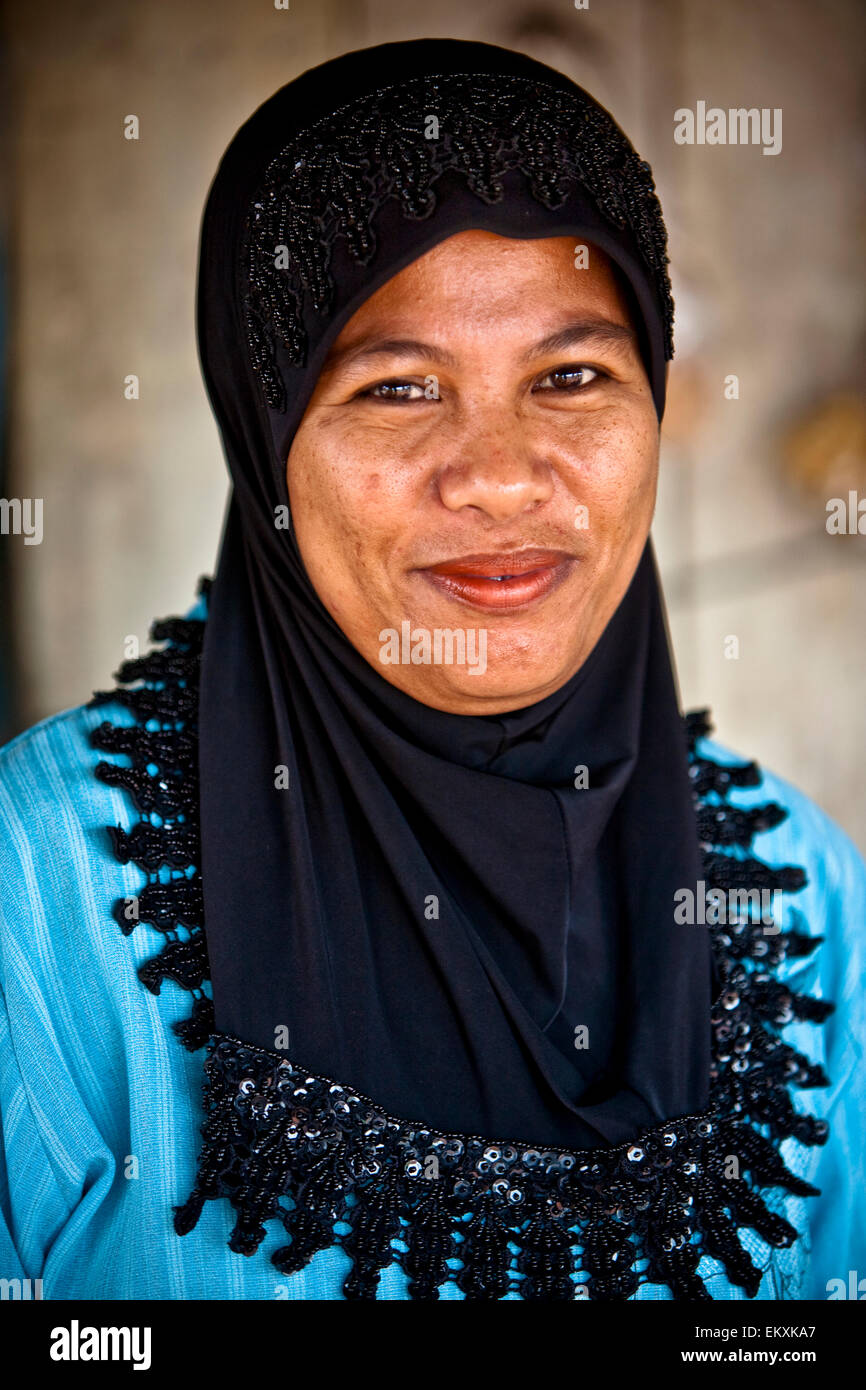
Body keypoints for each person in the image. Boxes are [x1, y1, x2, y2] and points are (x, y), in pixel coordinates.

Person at [0, 37, 863, 1303]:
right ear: (263, 433)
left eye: (571, 376)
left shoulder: (805, 904)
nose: (501, 477)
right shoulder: (38, 888)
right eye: (398, 388)